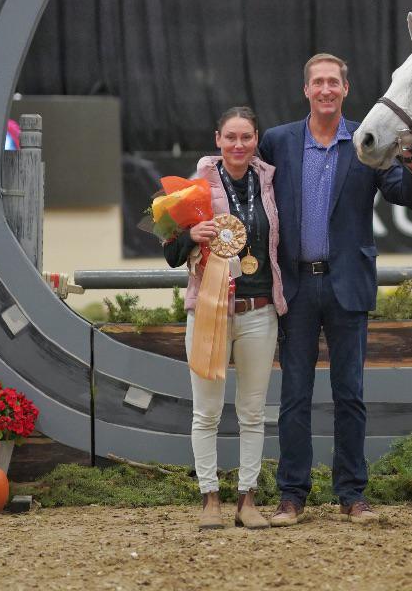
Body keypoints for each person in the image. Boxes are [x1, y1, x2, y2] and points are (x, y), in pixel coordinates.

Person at [259, 53, 412, 526]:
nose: (327, 89)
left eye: (334, 82)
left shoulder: (367, 141)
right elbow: (254, 196)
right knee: (294, 396)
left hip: (347, 283)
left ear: (346, 90)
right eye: (318, 83)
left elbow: (406, 197)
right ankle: (292, 495)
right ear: (306, 90)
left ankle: (353, 493)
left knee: (350, 393)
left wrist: (411, 157)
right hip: (295, 286)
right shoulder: (278, 142)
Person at [164, 106, 285, 530]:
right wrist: (188, 237)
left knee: (253, 412)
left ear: (256, 140)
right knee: (207, 412)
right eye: (231, 137)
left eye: (246, 138)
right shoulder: (195, 186)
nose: (238, 145)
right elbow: (168, 251)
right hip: (210, 310)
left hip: (259, 312)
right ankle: (209, 498)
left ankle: (247, 500)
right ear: (218, 138)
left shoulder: (269, 181)